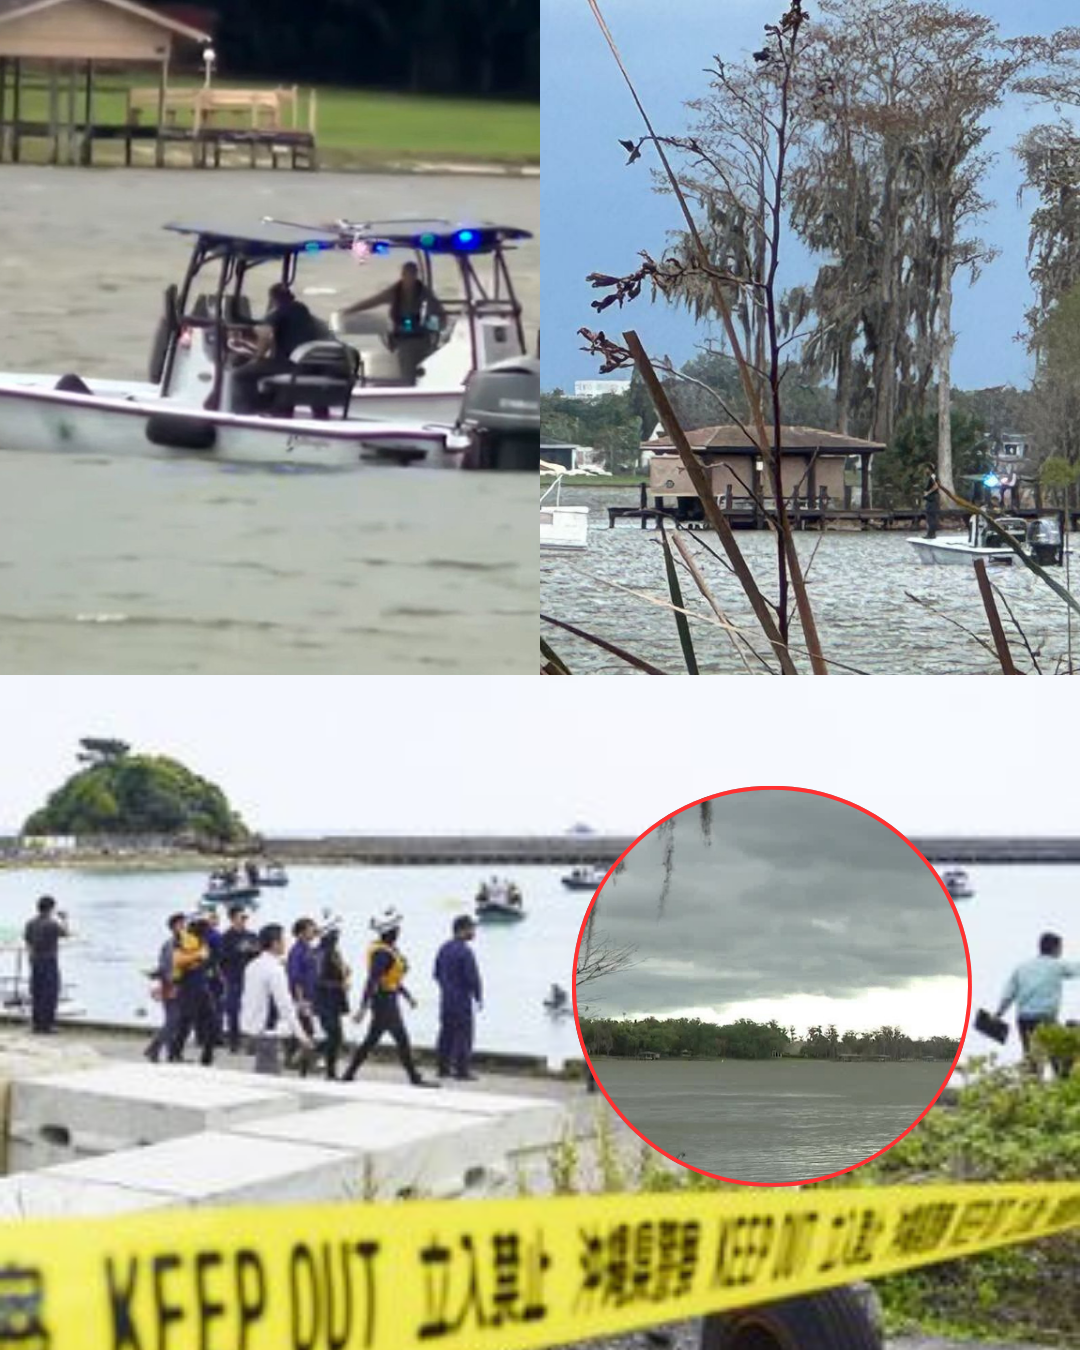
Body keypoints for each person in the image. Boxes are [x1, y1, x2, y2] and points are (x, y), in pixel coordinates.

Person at [342, 908, 437, 1087]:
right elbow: (372, 980)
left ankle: (349, 1073)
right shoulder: (382, 953)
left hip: (387, 999)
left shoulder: (387, 949)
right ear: (391, 931)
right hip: (384, 1002)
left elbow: (391, 979)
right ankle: (414, 1078)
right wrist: (363, 1008)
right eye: (397, 929)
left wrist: (407, 996)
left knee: (372, 1040)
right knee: (401, 1039)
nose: (399, 932)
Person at [338, 261, 446, 384]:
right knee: (405, 353)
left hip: (421, 338)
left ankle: (410, 384)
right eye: (407, 275)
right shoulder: (395, 291)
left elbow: (439, 315)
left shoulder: (425, 294)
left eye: (412, 275)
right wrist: (350, 310)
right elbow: (374, 301)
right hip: (400, 339)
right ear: (403, 275)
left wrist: (432, 330)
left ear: (416, 276)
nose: (409, 279)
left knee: (411, 354)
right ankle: (406, 383)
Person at [230, 283, 327, 414]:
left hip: (289, 365)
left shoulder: (279, 312)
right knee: (265, 369)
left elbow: (265, 336)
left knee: (240, 374)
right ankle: (279, 408)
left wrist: (257, 357)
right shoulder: (303, 311)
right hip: (312, 365)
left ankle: (248, 412)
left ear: (273, 299)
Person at [995, 932, 1080, 1078]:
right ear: (1056, 948)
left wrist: (998, 1014)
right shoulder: (1057, 965)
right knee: (1059, 1053)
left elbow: (1008, 995)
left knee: (1031, 1057)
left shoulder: (1022, 967)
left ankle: (1031, 1087)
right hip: (1046, 1019)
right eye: (1060, 948)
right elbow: (1076, 969)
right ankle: (1060, 1082)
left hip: (1024, 1020)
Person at [240, 923, 312, 1075]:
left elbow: (247, 998)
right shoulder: (275, 970)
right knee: (269, 1076)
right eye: (283, 940)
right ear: (274, 944)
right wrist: (302, 1035)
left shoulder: (252, 965)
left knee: (262, 1074)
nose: (285, 943)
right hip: (268, 1030)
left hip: (252, 1026)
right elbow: (285, 1005)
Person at [433, 915, 483, 1080]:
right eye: (471, 928)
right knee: (464, 1034)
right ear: (462, 930)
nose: (473, 932)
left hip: (446, 998)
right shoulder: (465, 951)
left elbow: (436, 974)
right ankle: (462, 1070)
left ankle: (442, 1068)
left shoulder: (443, 948)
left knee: (446, 1033)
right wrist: (478, 995)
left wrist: (446, 987)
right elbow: (472, 977)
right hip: (461, 999)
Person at [167, 917, 217, 1067]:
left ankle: (205, 1056)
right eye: (207, 932)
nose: (209, 934)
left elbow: (204, 963)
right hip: (190, 990)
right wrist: (199, 956)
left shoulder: (199, 943)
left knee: (205, 1022)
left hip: (199, 989)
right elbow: (177, 960)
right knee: (186, 1024)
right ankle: (176, 1054)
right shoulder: (189, 943)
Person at [144, 912, 186, 1063]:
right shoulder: (170, 945)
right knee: (173, 1021)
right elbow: (166, 968)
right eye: (181, 924)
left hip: (178, 987)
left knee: (174, 1022)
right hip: (172, 988)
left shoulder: (182, 943)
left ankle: (169, 1053)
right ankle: (153, 1048)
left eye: (184, 923)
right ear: (174, 927)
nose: (184, 926)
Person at [218, 904, 260, 1053]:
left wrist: (252, 950)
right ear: (232, 919)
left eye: (245, 917)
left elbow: (259, 954)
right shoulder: (225, 937)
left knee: (254, 1011)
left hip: (252, 980)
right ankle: (234, 1043)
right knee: (233, 1011)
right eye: (241, 917)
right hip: (233, 979)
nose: (244, 920)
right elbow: (221, 960)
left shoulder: (252, 935)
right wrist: (239, 951)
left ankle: (252, 1044)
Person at [23, 896, 69, 1034]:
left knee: (37, 992)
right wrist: (64, 919)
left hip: (34, 961)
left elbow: (27, 941)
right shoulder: (51, 924)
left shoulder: (30, 923)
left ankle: (36, 1025)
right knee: (50, 993)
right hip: (49, 961)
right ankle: (47, 1026)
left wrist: (31, 957)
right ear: (51, 908)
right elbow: (66, 933)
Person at [313, 926, 351, 1080]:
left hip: (334, 1000)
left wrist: (345, 971)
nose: (337, 937)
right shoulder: (320, 952)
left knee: (337, 1036)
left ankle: (312, 1052)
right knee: (334, 1035)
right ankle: (329, 1071)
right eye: (335, 934)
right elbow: (318, 980)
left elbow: (335, 971)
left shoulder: (334, 951)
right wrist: (339, 985)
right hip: (324, 1000)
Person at [286, 918, 319, 1073]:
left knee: (300, 1029)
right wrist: (300, 1001)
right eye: (311, 929)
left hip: (310, 996)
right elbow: (295, 978)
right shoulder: (296, 951)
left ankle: (293, 1059)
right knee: (307, 1030)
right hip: (301, 998)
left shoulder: (308, 949)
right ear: (301, 932)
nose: (314, 931)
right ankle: (305, 1062)